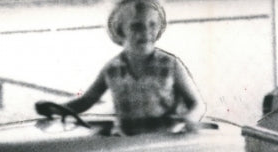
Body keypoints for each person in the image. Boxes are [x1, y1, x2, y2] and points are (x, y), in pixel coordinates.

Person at [35, 0, 205, 135]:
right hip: (125, 142)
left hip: (163, 142)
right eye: (137, 26)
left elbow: (197, 104)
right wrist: (55, 109)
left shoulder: (171, 65)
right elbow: (86, 101)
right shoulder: (112, 69)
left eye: (152, 24)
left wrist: (190, 118)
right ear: (120, 30)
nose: (146, 32)